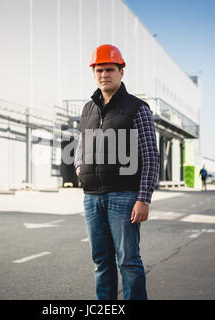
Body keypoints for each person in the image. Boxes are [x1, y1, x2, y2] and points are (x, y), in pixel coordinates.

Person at [74, 44, 158, 300]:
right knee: (101, 262)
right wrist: (80, 168)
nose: (103, 75)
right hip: (91, 197)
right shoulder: (88, 108)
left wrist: (143, 199)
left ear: (121, 72)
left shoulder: (137, 108)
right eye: (99, 70)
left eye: (109, 69)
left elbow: (150, 156)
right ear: (94, 72)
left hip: (124, 196)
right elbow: (80, 144)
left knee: (129, 262)